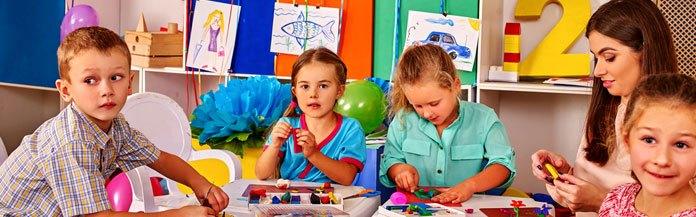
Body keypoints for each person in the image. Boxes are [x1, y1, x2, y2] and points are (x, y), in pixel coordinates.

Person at [0, 27, 228, 216]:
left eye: (115, 78)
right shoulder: (71, 140)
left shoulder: (117, 127)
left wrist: (201, 184)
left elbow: (161, 159)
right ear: (66, 90)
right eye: (90, 80)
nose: (107, 90)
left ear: (130, 82)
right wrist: (177, 214)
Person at [530, 0, 682, 215]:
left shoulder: (680, 122)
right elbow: (599, 185)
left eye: (609, 57)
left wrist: (601, 202)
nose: (598, 70)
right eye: (596, 57)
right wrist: (564, 175)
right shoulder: (610, 107)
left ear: (646, 52)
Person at [379, 44, 516, 203]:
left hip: (467, 208)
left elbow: (503, 165)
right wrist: (400, 170)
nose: (427, 113)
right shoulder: (403, 120)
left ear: (455, 85)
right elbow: (390, 159)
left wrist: (470, 185)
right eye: (418, 106)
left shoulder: (485, 119)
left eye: (434, 103)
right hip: (417, 208)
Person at [255, 47, 366, 186]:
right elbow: (261, 174)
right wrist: (275, 146)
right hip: (289, 200)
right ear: (295, 91)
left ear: (339, 91)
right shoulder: (287, 124)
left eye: (323, 86)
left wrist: (313, 154)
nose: (313, 94)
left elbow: (347, 177)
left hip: (333, 201)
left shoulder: (350, 128)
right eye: (305, 86)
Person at [599, 73, 696, 216]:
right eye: (649, 140)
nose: (662, 160)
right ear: (627, 140)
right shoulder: (616, 200)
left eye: (681, 145)